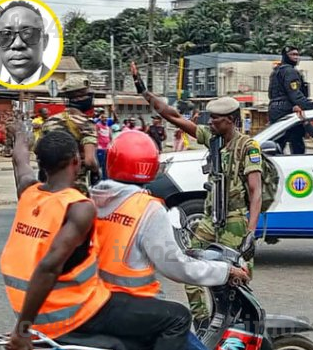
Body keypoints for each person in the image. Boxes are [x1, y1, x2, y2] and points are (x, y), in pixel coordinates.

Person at [1, 122, 193, 350]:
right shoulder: (78, 206)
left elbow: (20, 162)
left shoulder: (28, 192)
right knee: (178, 317)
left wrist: (19, 137)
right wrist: (22, 330)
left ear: (41, 163)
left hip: (33, 307)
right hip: (73, 311)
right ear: (76, 161)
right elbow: (49, 267)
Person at [90, 130, 250, 350]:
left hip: (96, 300)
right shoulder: (146, 208)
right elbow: (177, 267)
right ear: (150, 166)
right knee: (182, 324)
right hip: (134, 305)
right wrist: (225, 271)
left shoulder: (92, 199)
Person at [131, 61, 262, 327]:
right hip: (209, 219)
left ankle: (239, 324)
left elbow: (255, 190)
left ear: (231, 120)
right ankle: (203, 320)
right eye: (210, 118)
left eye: (216, 118)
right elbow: (173, 115)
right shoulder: (211, 138)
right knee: (188, 264)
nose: (210, 121)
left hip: (235, 221)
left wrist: (250, 231)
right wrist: (143, 91)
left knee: (235, 276)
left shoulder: (248, 147)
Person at [41, 76, 100, 195]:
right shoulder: (86, 125)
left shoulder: (50, 122)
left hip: (48, 187)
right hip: (74, 189)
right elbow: (90, 161)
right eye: (87, 94)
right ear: (79, 98)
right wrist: (96, 172)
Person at [268, 46, 313, 154]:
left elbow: (270, 94)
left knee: (276, 143)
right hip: (287, 110)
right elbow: (295, 94)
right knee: (297, 142)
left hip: (274, 109)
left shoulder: (275, 72)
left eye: (297, 54)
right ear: (285, 56)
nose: (296, 57)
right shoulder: (290, 72)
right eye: (292, 54)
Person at [0, 1, 50, 85]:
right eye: (6, 35)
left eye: (28, 33)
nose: (17, 44)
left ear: (45, 41)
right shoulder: (1, 89)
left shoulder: (54, 85)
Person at [95, 112, 111, 180]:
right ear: (100, 118)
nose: (105, 119)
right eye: (103, 117)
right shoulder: (98, 125)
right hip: (100, 148)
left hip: (107, 148)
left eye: (106, 118)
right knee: (99, 164)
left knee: (106, 165)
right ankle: (97, 178)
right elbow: (95, 135)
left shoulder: (108, 126)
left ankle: (105, 179)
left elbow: (110, 137)